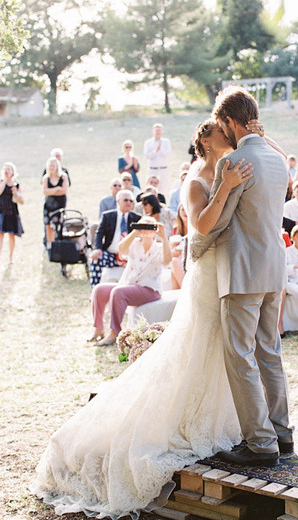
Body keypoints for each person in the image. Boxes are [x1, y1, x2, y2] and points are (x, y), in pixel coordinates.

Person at [31, 116, 262, 518]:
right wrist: (225, 187)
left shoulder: (230, 166)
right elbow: (200, 228)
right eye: (220, 132)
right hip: (208, 272)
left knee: (220, 348)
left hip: (229, 270)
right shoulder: (197, 179)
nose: (228, 135)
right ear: (207, 142)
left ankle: (222, 417)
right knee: (197, 345)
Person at [190, 86, 293, 467]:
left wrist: (197, 249)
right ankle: (282, 432)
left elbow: (216, 222)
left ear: (230, 122)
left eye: (222, 125)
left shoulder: (232, 163)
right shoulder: (278, 159)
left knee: (240, 356)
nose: (221, 131)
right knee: (270, 351)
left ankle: (261, 443)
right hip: (274, 268)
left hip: (243, 271)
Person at [90, 217, 172, 346]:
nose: (147, 229)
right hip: (129, 285)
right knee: (99, 289)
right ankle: (98, 328)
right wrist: (135, 232)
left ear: (155, 229)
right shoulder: (134, 244)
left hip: (150, 289)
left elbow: (167, 260)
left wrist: (163, 237)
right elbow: (121, 249)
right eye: (144, 226)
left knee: (118, 292)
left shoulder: (160, 247)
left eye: (150, 226)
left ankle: (115, 332)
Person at [90, 190, 141, 287]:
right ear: (118, 201)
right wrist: (98, 249)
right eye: (125, 200)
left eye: (131, 201)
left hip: (130, 257)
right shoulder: (107, 216)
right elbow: (99, 233)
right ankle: (95, 289)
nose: (128, 203)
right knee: (96, 259)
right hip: (111, 254)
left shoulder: (137, 218)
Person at [0, 162, 24, 263]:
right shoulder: (1, 182)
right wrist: (5, 180)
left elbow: (22, 201)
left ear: (13, 172)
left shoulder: (16, 185)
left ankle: (10, 257)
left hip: (12, 212)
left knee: (11, 235)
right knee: (0, 235)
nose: (6, 171)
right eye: (5, 169)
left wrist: (15, 193)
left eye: (9, 169)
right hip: (1, 211)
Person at [42, 157, 69, 245]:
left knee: (59, 226)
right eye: (50, 166)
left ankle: (58, 245)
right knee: (48, 226)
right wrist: (57, 189)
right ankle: (50, 245)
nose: (52, 167)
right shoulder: (46, 178)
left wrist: (51, 191)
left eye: (53, 165)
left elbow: (64, 191)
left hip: (60, 205)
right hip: (49, 205)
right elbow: (45, 192)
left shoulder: (63, 176)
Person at [144, 123, 172, 195]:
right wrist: (155, 151)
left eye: (159, 130)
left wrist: (161, 148)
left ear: (162, 131)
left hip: (163, 169)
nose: (158, 132)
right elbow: (147, 156)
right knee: (150, 189)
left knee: (163, 190)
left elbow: (168, 154)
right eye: (156, 130)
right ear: (153, 131)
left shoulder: (166, 141)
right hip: (152, 169)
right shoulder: (148, 142)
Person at [169, 204, 188, 289]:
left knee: (174, 263)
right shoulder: (176, 229)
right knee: (174, 263)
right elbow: (171, 253)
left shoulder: (195, 228)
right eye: (182, 210)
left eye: (186, 209)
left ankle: (185, 290)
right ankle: (181, 292)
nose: (185, 212)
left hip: (188, 260)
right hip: (179, 259)